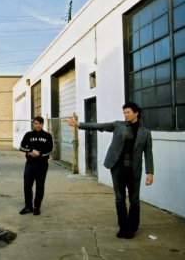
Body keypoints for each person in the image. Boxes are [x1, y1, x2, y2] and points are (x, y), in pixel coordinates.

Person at [63, 102, 154, 239]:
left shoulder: (145, 133)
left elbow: (148, 153)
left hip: (134, 170)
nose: (125, 115)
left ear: (136, 113)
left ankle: (132, 228)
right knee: (119, 199)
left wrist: (150, 172)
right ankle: (123, 228)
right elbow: (100, 126)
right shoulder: (118, 125)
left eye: (128, 112)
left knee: (134, 201)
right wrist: (79, 124)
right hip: (117, 168)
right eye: (124, 113)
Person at [19, 116, 54, 216]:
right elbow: (21, 147)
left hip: (42, 165)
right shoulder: (28, 135)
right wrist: (30, 152)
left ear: (43, 124)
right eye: (36, 123)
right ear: (33, 124)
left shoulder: (47, 136)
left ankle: (37, 207)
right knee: (27, 185)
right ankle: (28, 206)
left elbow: (50, 150)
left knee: (40, 186)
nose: (38, 125)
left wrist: (39, 153)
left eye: (40, 123)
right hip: (30, 164)